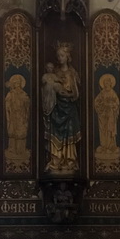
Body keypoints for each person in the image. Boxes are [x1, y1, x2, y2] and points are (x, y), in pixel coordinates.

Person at [43, 43, 81, 174]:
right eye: (58, 56)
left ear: (67, 57)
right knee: (56, 134)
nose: (60, 58)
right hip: (57, 108)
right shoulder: (54, 73)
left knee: (69, 133)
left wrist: (69, 95)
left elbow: (76, 93)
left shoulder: (72, 73)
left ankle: (69, 161)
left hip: (69, 108)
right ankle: (56, 160)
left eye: (62, 55)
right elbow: (47, 88)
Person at [4, 74, 30, 166]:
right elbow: (7, 106)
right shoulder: (10, 94)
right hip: (13, 116)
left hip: (21, 116)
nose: (17, 85)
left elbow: (27, 105)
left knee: (21, 132)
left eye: (19, 83)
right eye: (15, 83)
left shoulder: (24, 94)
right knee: (12, 132)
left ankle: (20, 150)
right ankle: (12, 149)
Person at [94, 73, 120, 159]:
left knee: (110, 130)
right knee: (103, 130)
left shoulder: (113, 93)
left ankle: (111, 146)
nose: (106, 84)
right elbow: (96, 102)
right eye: (105, 83)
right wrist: (102, 104)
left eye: (107, 83)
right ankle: (104, 146)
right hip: (103, 115)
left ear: (110, 83)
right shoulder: (102, 93)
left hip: (111, 115)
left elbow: (117, 103)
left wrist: (112, 105)